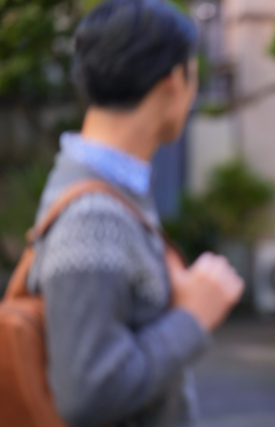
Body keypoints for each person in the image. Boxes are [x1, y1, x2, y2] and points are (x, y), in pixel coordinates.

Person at [26, 0, 244, 426]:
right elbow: (88, 392)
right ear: (172, 82)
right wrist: (193, 317)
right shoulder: (94, 215)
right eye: (193, 75)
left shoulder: (108, 191)